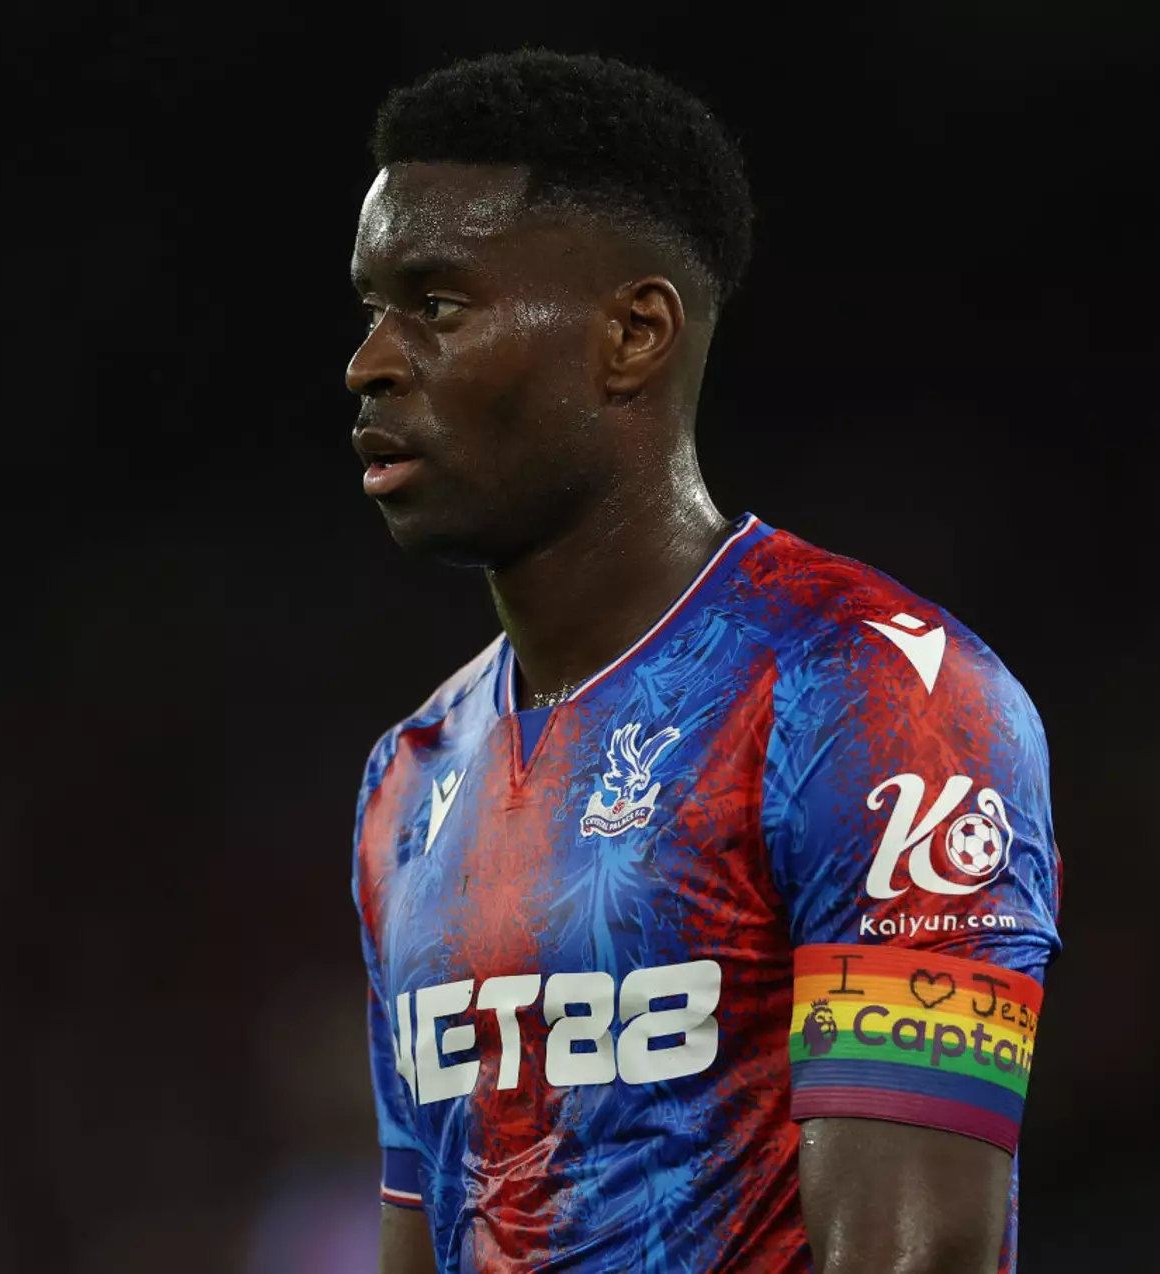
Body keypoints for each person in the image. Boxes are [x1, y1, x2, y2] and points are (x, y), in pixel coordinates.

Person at [346, 49, 1061, 1274]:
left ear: (632, 335)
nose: (370, 363)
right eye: (371, 309)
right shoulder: (408, 781)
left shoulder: (878, 698)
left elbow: (917, 1256)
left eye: (439, 303)